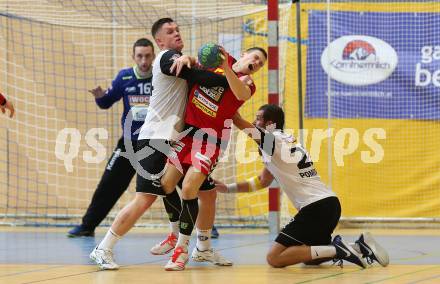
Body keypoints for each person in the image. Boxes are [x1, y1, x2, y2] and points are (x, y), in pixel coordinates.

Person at [89, 18, 227, 270]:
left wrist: (193, 59)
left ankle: (195, 245)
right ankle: (103, 248)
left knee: (190, 189)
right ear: (159, 41)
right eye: (169, 31)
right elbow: (208, 81)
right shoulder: (166, 57)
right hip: (154, 139)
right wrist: (230, 70)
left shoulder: (179, 58)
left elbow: (195, 72)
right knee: (145, 198)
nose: (176, 33)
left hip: (178, 140)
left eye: (177, 29)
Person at [215, 104, 389, 269]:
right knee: (310, 258)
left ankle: (338, 249)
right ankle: (358, 246)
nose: (254, 122)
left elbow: (240, 122)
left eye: (258, 118)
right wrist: (227, 188)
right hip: (329, 204)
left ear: (269, 124)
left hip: (315, 207)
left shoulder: (272, 140)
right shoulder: (284, 141)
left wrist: (227, 101)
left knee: (274, 258)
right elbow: (263, 181)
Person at [160, 46, 267, 271]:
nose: (256, 63)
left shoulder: (247, 82)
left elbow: (239, 94)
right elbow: (196, 64)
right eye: (255, 58)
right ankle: (176, 236)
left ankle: (181, 250)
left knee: (189, 189)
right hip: (188, 132)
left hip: (211, 141)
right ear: (245, 53)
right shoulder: (218, 58)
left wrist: (228, 68)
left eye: (260, 64)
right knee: (166, 184)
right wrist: (188, 57)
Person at [67, 38, 162, 238]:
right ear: (133, 56)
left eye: (147, 56)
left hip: (157, 143)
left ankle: (207, 225)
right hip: (129, 143)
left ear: (153, 56)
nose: (144, 60)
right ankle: (87, 226)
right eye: (139, 56)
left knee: (181, 181)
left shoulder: (161, 77)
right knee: (109, 183)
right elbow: (106, 103)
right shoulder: (125, 77)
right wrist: (100, 96)